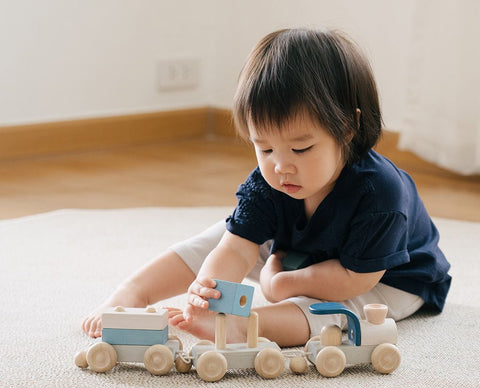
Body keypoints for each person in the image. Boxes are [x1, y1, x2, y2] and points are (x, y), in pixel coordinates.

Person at [81, 28, 451, 347]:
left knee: (342, 315)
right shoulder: (270, 180)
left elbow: (354, 280)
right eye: (265, 147)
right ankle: (131, 293)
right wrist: (211, 290)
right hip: (299, 257)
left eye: (301, 148)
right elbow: (235, 249)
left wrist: (279, 285)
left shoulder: (381, 193)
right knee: (219, 236)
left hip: (384, 276)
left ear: (348, 129)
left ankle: (243, 326)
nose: (280, 165)